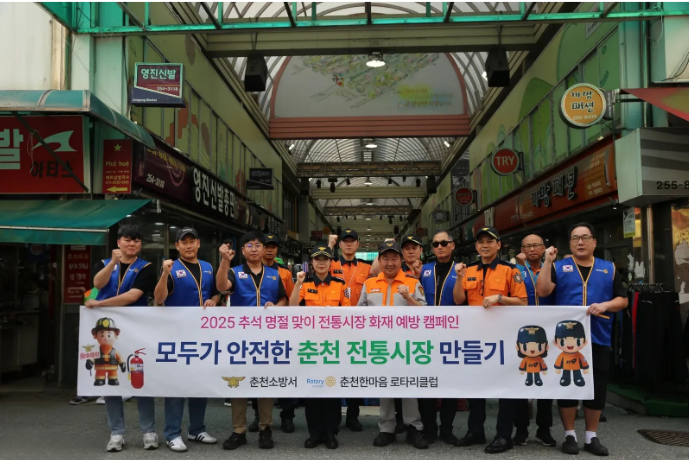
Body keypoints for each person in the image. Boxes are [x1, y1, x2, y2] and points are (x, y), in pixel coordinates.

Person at [536, 222, 628, 456]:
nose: (580, 242)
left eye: (585, 237)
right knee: (568, 386)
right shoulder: (559, 267)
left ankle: (591, 437)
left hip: (599, 337)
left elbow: (623, 300)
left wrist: (605, 305)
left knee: (596, 388)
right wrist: (547, 261)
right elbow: (543, 291)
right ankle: (570, 435)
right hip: (565, 341)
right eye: (575, 238)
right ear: (570, 243)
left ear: (594, 242)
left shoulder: (609, 268)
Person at [452, 227, 528, 454]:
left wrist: (500, 298)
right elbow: (459, 299)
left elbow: (523, 301)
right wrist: (459, 278)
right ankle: (475, 431)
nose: (484, 245)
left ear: (498, 245)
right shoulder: (469, 270)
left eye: (489, 241)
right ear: (476, 246)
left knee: (505, 388)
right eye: (481, 242)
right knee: (476, 387)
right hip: (476, 338)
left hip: (503, 338)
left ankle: (504, 435)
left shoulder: (510, 270)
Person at [84, 224, 157, 452]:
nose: (132, 243)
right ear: (118, 242)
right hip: (107, 329)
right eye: (127, 239)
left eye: (136, 240)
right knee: (111, 380)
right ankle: (116, 433)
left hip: (137, 328)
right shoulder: (103, 264)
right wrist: (113, 263)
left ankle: (148, 431)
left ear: (140, 244)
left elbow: (132, 296)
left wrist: (100, 304)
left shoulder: (146, 267)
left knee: (141, 378)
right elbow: (98, 284)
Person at [217, 230, 288, 451]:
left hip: (267, 338)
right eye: (249, 245)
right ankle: (238, 430)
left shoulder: (274, 274)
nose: (254, 249)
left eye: (258, 245)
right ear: (243, 250)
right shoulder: (234, 272)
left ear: (264, 249)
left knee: (264, 383)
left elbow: (283, 299)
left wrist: (276, 307)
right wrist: (224, 262)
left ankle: (266, 428)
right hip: (240, 337)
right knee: (238, 382)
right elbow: (221, 287)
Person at [153, 227, 219, 453]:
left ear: (198, 243)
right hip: (177, 335)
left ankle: (197, 429)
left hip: (203, 335)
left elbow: (216, 292)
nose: (189, 245)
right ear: (177, 246)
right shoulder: (171, 268)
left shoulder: (208, 267)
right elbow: (159, 298)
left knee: (200, 385)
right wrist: (164, 274)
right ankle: (172, 433)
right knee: (176, 386)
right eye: (184, 242)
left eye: (192, 241)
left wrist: (214, 299)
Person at [358, 241, 429, 450]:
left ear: (400, 260)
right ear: (379, 260)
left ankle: (414, 427)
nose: (390, 263)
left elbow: (425, 313)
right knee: (384, 385)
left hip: (406, 344)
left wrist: (408, 297)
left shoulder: (412, 282)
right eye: (385, 258)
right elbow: (359, 313)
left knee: (408, 385)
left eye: (394, 258)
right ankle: (386, 428)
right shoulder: (369, 283)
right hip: (379, 344)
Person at [289, 245, 350, 449]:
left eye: (325, 259)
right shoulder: (304, 284)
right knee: (313, 390)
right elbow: (292, 307)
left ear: (331, 262)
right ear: (312, 263)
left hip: (333, 345)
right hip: (311, 346)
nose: (321, 263)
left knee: (332, 389)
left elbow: (348, 313)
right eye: (317, 259)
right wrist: (297, 284)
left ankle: (331, 432)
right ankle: (314, 433)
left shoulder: (339, 284)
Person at [512, 234, 557, 448]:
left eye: (536, 245)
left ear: (543, 247)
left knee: (546, 380)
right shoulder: (515, 271)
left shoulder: (554, 268)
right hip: (520, 330)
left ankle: (544, 429)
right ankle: (521, 429)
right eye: (527, 246)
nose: (532, 249)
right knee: (521, 380)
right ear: (521, 250)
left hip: (549, 331)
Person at [327, 228, 371, 431]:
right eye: (345, 241)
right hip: (333, 326)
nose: (349, 244)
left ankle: (353, 415)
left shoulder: (366, 267)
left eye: (352, 241)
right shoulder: (331, 263)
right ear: (340, 244)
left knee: (355, 373)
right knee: (334, 370)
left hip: (358, 328)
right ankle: (334, 417)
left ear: (358, 244)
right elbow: (317, 268)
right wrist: (329, 245)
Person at [418, 230, 459, 445]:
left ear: (452, 245)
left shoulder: (462, 269)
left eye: (444, 243)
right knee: (427, 384)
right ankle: (429, 428)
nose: (440, 247)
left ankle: (447, 429)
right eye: (435, 244)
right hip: (426, 336)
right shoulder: (424, 270)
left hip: (452, 335)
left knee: (450, 384)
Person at [263, 233, 298, 433]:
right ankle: (260, 417)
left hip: (282, 328)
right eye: (266, 246)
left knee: (284, 372)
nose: (270, 250)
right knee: (261, 373)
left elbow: (291, 299)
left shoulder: (284, 273)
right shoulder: (252, 271)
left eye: (273, 247)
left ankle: (287, 415)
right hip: (258, 329)